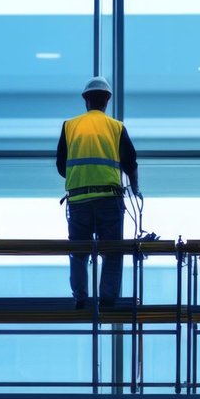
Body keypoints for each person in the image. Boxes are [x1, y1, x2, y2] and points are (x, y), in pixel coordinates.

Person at [56, 76, 140, 307]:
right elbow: (131, 163)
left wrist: (81, 178)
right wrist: (135, 189)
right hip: (109, 200)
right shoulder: (116, 127)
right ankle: (107, 299)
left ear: (86, 101)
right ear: (107, 101)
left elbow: (61, 165)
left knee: (79, 251)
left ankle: (81, 298)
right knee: (112, 251)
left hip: (79, 200)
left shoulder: (70, 126)